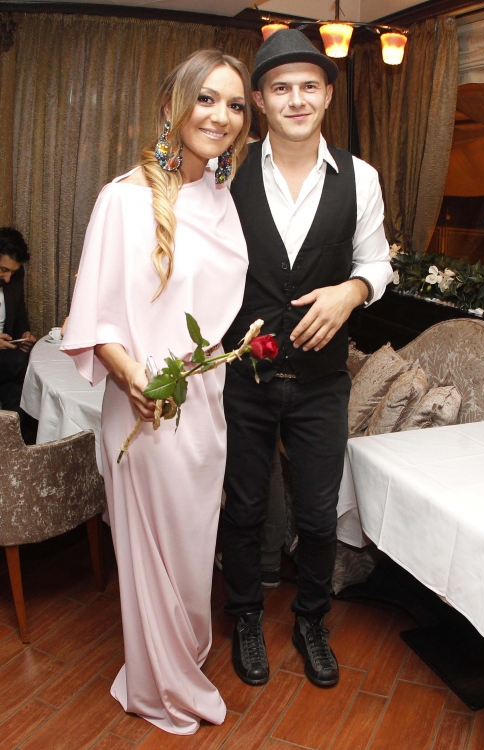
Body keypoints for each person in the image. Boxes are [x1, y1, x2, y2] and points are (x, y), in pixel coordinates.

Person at [61, 49, 251, 734]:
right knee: (151, 556)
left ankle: (182, 655)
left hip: (206, 408)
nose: (221, 116)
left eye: (235, 105)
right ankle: (158, 683)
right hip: (143, 405)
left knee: (194, 552)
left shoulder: (222, 200)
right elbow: (94, 314)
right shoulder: (123, 198)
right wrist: (134, 378)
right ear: (173, 105)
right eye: (207, 98)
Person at [221, 29, 393, 688]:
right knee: (243, 510)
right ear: (260, 101)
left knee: (320, 517)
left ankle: (312, 620)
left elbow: (377, 262)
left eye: (309, 86)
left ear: (326, 96)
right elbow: (175, 204)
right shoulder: (224, 170)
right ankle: (243, 615)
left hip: (322, 382)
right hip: (242, 376)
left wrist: (353, 290)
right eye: (281, 88)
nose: (296, 99)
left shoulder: (361, 177)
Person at [0, 227, 36, 418]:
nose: (8, 278)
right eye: (3, 270)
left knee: (17, 395)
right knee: (25, 365)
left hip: (6, 353)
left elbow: (19, 310)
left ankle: (13, 435)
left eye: (12, 272)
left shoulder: (14, 274)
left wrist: (24, 334)